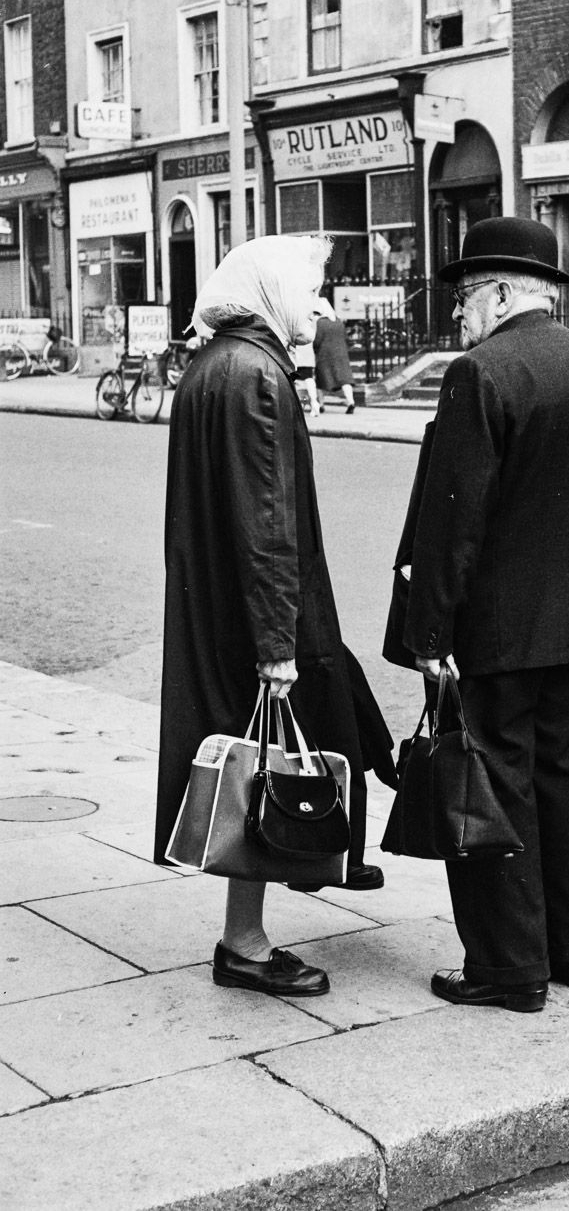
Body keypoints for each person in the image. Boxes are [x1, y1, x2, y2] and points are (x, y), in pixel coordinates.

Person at [383, 217, 569, 1013]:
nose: (457, 314)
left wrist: (431, 637)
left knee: (490, 782)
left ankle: (506, 968)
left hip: (494, 628)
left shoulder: (480, 373)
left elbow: (451, 521)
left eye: (464, 297)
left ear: (500, 294)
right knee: (559, 775)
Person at [154, 234, 396, 998]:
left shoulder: (211, 364)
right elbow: (267, 522)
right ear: (271, 291)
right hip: (257, 611)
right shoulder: (257, 375)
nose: (317, 304)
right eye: (309, 288)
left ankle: (315, 877)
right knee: (273, 768)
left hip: (218, 601)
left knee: (273, 759)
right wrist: (275, 644)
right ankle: (248, 943)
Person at [313, 297, 355, 414]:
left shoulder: (320, 323)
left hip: (324, 355)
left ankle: (321, 404)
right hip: (341, 355)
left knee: (320, 380)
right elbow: (346, 338)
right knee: (345, 380)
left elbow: (316, 341)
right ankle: (351, 401)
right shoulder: (338, 321)